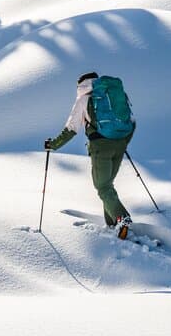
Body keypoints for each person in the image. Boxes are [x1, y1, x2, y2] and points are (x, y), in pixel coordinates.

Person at [44, 71, 134, 239]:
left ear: (81, 84)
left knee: (102, 186)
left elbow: (71, 129)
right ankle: (113, 224)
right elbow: (131, 121)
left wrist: (53, 145)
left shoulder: (83, 99)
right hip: (120, 143)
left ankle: (122, 219)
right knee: (107, 184)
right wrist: (122, 141)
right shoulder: (113, 93)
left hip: (100, 146)